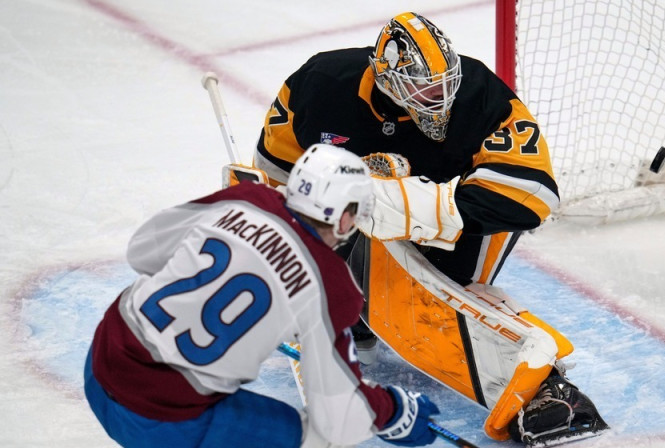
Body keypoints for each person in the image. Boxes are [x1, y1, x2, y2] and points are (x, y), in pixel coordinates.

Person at [251, 11, 607, 445]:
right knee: (318, 234)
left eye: (444, 84)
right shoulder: (322, 82)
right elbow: (275, 173)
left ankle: (546, 391)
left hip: (457, 228)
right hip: (356, 220)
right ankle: (356, 311)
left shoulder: (479, 94)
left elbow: (534, 195)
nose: (440, 97)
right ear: (385, 79)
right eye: (424, 87)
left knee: (436, 308)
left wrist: (413, 205)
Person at [83, 144, 441, 448]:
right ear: (345, 219)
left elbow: (142, 252)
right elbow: (338, 416)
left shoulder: (247, 198)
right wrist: (392, 410)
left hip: (98, 367)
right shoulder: (332, 285)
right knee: (311, 435)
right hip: (164, 423)